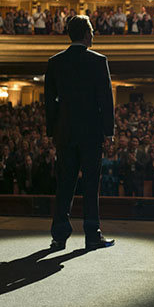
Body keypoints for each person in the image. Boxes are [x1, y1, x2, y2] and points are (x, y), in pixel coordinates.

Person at [45, 15, 115, 251]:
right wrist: (109, 131)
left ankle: (59, 236)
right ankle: (92, 234)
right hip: (91, 132)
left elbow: (49, 101)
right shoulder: (98, 61)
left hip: (64, 131)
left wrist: (51, 130)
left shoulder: (55, 62)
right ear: (86, 34)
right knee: (91, 184)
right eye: (92, 31)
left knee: (64, 184)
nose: (93, 34)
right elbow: (106, 99)